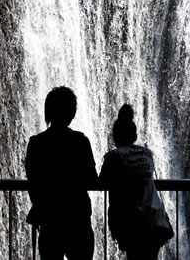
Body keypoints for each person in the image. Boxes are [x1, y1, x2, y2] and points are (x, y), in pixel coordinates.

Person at [25, 86, 98, 260]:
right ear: (72, 112)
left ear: (48, 111)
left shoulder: (36, 143)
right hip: (78, 218)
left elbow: (32, 181)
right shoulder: (81, 141)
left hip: (49, 220)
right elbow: (92, 179)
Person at [99, 104, 173, 260]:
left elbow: (102, 181)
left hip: (133, 221)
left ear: (115, 135)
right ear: (134, 135)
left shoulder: (114, 156)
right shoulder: (147, 153)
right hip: (155, 218)